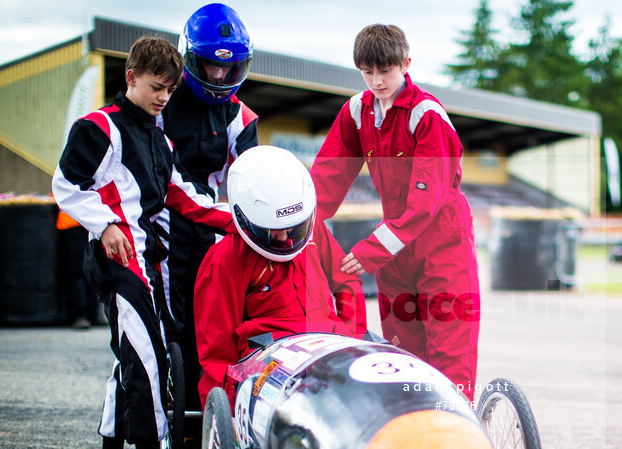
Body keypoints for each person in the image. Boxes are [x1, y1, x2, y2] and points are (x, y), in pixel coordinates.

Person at [52, 35, 234, 449]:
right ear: (130, 77)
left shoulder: (159, 135)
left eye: (170, 91)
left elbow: (181, 195)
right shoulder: (98, 126)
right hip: (117, 261)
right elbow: (66, 185)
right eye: (157, 87)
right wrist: (105, 224)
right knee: (147, 355)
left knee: (131, 354)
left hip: (147, 261)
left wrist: (242, 221)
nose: (163, 98)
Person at [308, 24, 481, 399]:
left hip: (442, 238)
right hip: (396, 246)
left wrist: (371, 251)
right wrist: (298, 226)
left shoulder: (428, 115)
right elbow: (328, 175)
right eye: (367, 72)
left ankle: (456, 441)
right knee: (404, 354)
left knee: (450, 352)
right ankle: (412, 439)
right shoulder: (356, 111)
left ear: (405, 64)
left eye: (384, 71)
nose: (376, 81)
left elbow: (425, 203)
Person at [194, 145, 367, 407]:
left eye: (294, 228)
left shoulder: (312, 226)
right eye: (271, 230)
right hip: (274, 365)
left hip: (332, 348)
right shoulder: (224, 259)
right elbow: (217, 353)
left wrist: (351, 339)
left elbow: (347, 280)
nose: (285, 238)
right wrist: (229, 415)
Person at [156, 3, 258, 417]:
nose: (218, 76)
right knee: (167, 329)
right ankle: (161, 426)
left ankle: (208, 416)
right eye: (210, 66)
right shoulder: (161, 103)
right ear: (189, 58)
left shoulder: (240, 115)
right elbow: (166, 181)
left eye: (228, 67)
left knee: (213, 326)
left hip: (212, 232)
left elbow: (251, 180)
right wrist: (230, 220)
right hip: (161, 228)